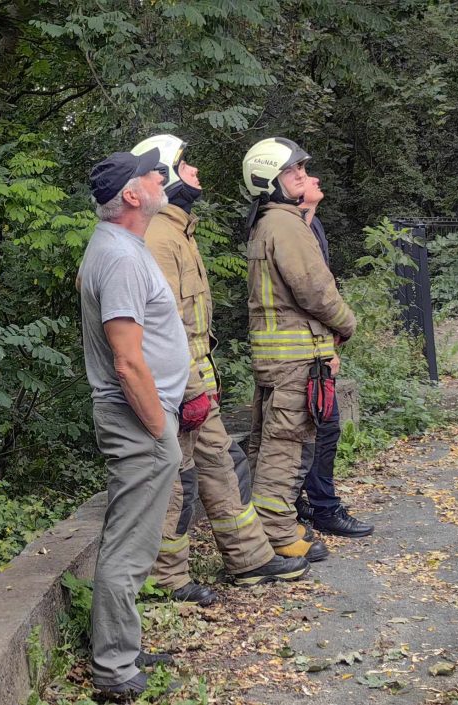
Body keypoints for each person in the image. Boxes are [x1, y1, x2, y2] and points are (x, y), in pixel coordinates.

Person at [131, 135, 310, 598]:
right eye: (184, 164)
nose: (194, 171)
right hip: (175, 391)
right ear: (164, 177)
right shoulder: (157, 238)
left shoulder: (177, 230)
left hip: (194, 388)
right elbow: (161, 328)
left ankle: (249, 561)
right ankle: (167, 581)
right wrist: (190, 391)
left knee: (220, 471)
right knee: (177, 484)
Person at [78, 148, 187, 698]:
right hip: (137, 420)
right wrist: (158, 427)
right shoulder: (119, 257)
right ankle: (115, 673)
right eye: (151, 173)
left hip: (143, 416)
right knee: (128, 546)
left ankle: (122, 647)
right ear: (131, 194)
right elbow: (126, 360)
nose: (160, 177)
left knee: (137, 541)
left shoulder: (124, 247)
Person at [241, 137, 357, 561]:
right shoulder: (286, 225)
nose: (304, 177)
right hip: (294, 362)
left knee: (266, 444)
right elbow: (316, 290)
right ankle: (277, 533)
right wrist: (347, 323)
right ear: (270, 180)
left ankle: (267, 526)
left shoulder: (268, 223)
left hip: (276, 359)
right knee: (287, 446)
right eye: (294, 172)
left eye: (303, 170)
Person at [294, 175, 375, 538]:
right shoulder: (287, 232)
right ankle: (321, 508)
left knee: (321, 429)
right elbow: (309, 298)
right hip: (298, 356)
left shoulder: (314, 227)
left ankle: (311, 505)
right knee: (320, 429)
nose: (315, 179)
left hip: (317, 350)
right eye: (302, 175)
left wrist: (330, 344)